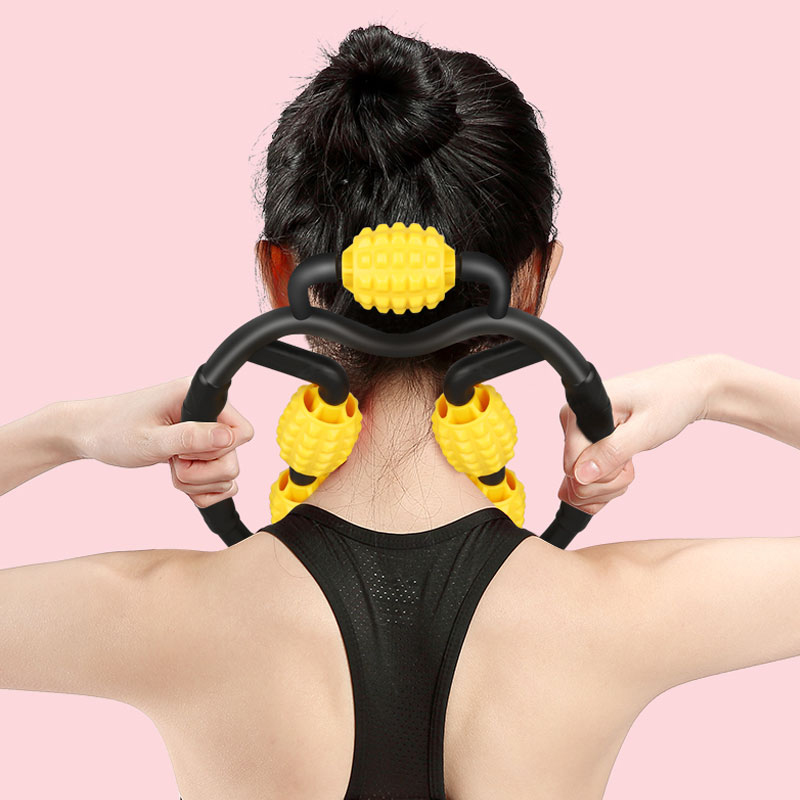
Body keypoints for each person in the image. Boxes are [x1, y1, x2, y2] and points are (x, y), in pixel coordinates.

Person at [1, 23, 799, 800]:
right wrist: (723, 386)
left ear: (281, 277)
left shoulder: (165, 618)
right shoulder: (627, 614)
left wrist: (62, 430)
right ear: (531, 281)